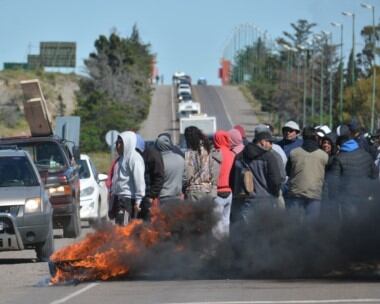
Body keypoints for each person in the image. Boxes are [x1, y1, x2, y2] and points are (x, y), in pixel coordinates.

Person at [230, 126, 282, 223]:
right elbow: (276, 180)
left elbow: (233, 179)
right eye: (270, 142)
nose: (271, 145)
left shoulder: (239, 156)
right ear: (262, 142)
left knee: (248, 233)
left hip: (246, 201)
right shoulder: (269, 157)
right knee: (264, 233)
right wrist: (275, 194)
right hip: (266, 201)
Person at [329, 124, 379, 218]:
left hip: (347, 202)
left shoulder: (338, 159)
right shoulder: (366, 155)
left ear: (338, 143)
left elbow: (333, 186)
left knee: (350, 230)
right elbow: (375, 175)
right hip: (366, 200)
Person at [286, 127, 328, 220]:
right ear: (315, 137)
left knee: (294, 225)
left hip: (295, 194)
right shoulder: (324, 156)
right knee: (311, 227)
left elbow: (288, 171)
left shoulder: (293, 153)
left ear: (303, 137)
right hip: (315, 195)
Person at [110, 131, 146, 225]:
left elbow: (139, 181)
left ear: (128, 142)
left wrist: (138, 201)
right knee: (120, 226)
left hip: (128, 200)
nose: (117, 145)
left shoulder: (135, 158)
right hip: (120, 198)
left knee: (125, 229)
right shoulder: (121, 159)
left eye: (120, 142)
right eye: (117, 143)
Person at [211, 130, 235, 239]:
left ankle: (218, 250)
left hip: (217, 192)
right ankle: (226, 246)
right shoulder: (232, 154)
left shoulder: (215, 155)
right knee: (226, 221)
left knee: (216, 224)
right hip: (229, 192)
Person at [136, 134, 164, 220]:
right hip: (138, 198)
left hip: (148, 197)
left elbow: (159, 176)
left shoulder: (152, 154)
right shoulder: (132, 156)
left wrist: (152, 196)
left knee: (148, 225)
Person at [183, 126, 214, 201]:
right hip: (207, 189)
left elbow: (188, 175)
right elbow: (212, 171)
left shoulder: (190, 153)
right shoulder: (207, 149)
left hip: (194, 191)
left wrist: (184, 185)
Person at [155, 133, 185, 203]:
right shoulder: (180, 158)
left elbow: (156, 180)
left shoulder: (158, 161)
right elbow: (184, 177)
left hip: (163, 198)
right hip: (177, 197)